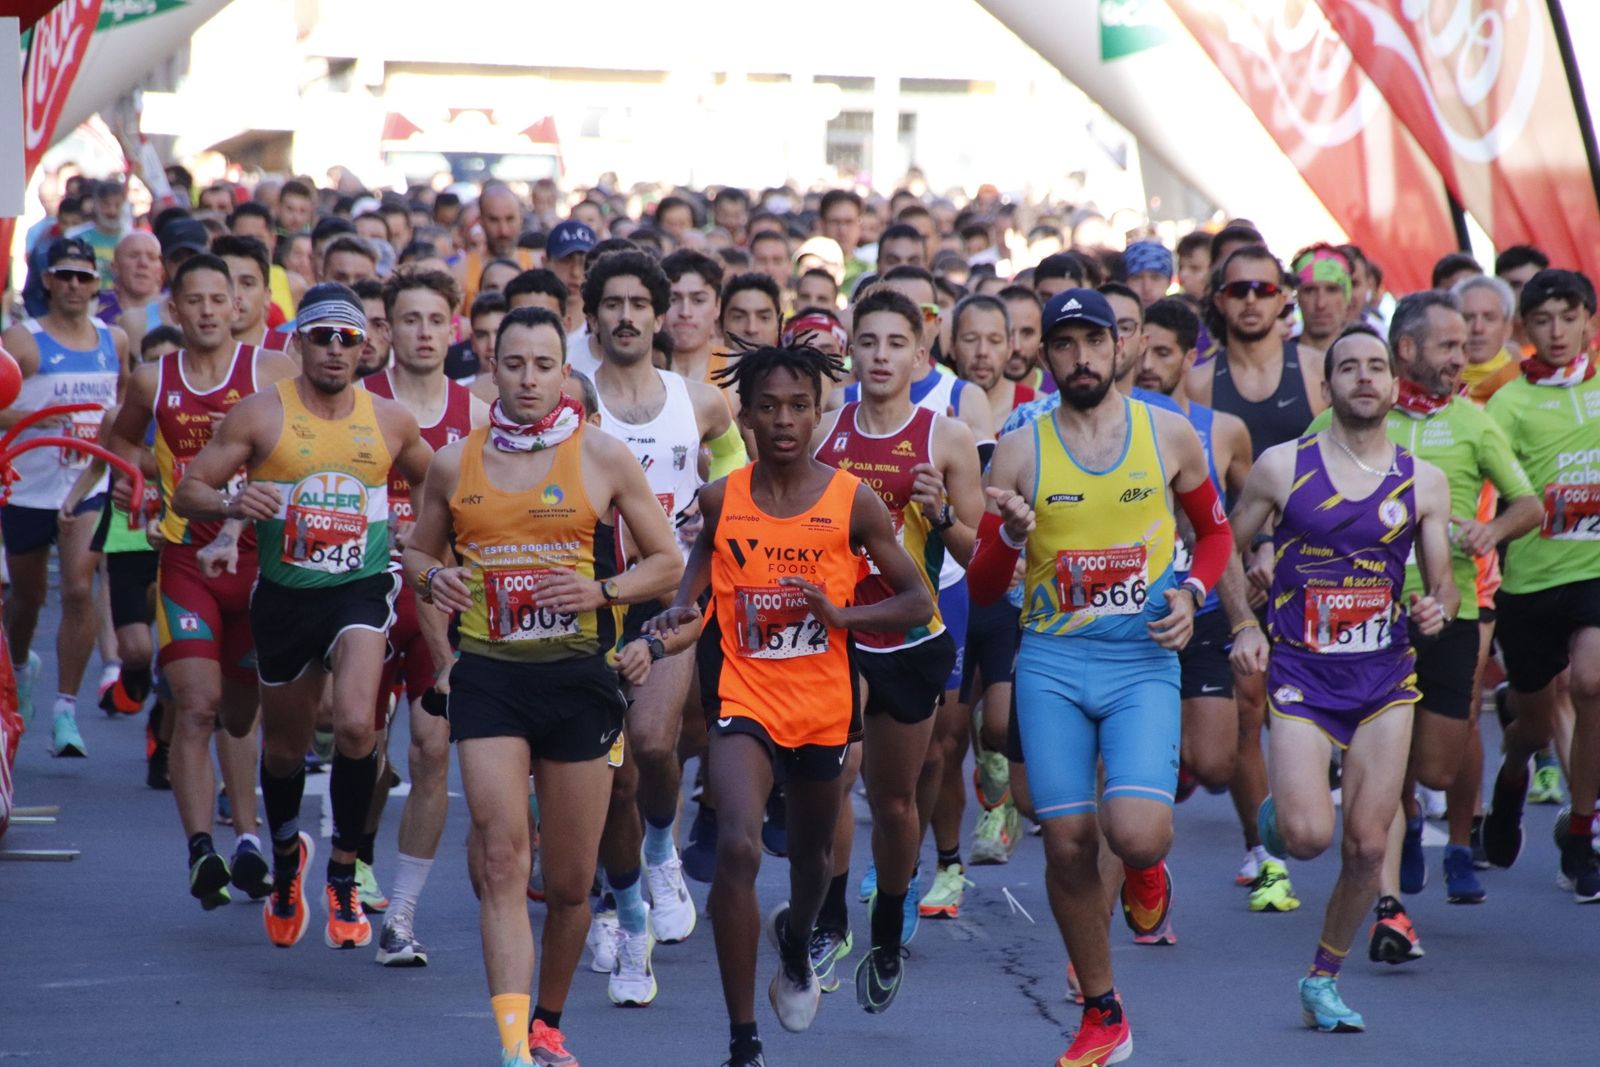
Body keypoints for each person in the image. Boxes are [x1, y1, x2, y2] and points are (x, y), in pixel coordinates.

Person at [403, 306, 682, 1067]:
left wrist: (603, 592)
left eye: (543, 365)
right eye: (514, 364)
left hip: (579, 682)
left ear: (566, 371)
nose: (528, 379)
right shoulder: (451, 461)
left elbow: (669, 562)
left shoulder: (602, 457)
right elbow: (417, 556)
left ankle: (548, 1023)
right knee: (501, 855)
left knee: (566, 884)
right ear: (492, 368)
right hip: (490, 676)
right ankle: (510, 1048)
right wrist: (441, 577)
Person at [971, 288, 1240, 1067]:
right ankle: (1102, 1010)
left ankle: (1149, 867)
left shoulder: (1168, 435)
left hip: (1142, 659)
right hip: (1052, 660)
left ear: (1119, 346)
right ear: (1046, 356)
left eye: (1096, 339)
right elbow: (986, 586)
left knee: (1135, 831)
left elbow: (1214, 534)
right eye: (1065, 344)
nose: (1082, 356)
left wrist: (1192, 593)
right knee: (1065, 843)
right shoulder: (1021, 448)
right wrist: (1009, 536)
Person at [645, 342, 933, 1067]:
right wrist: (674, 620)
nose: (783, 420)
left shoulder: (850, 499)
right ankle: (744, 1043)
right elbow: (694, 591)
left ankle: (799, 940)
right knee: (740, 843)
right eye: (768, 406)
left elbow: (917, 599)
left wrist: (842, 618)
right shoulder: (721, 498)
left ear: (818, 413)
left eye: (798, 406)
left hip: (824, 707)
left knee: (811, 856)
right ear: (744, 416)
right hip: (745, 698)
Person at [171, 282, 431, 952]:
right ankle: (289, 861)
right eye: (323, 336)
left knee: (352, 723)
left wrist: (422, 541)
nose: (336, 350)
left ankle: (343, 871)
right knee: (284, 749)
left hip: (361, 589)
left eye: (349, 338)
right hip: (285, 595)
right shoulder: (260, 415)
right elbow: (189, 488)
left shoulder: (390, 420)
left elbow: (439, 481)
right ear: (299, 343)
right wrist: (233, 505)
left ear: (365, 348)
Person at [1232, 324, 1456, 1032]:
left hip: (1385, 678)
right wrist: (1244, 617)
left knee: (1364, 844)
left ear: (1394, 385)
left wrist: (1435, 605)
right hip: (1300, 673)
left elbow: (1446, 585)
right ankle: (1276, 814)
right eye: (1348, 367)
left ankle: (1322, 976)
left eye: (1377, 367)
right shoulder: (1281, 466)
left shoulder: (1423, 480)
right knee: (1304, 838)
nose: (1364, 377)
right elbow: (1221, 550)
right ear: (1326, 387)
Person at [1307, 293, 1538, 946]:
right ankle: (1388, 905)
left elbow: (1529, 504)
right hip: (1366, 612)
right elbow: (1288, 482)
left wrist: (1489, 529)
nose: (1462, 356)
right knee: (1379, 753)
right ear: (1404, 350)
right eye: (1446, 345)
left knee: (1433, 765)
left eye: (1465, 343)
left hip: (1449, 611)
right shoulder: (1349, 417)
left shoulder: (1474, 420)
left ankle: (1399, 805)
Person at [107, 253, 297, 908]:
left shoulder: (272, 373)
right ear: (176, 309)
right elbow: (124, 441)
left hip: (258, 565)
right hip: (186, 558)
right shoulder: (150, 380)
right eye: (198, 300)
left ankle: (246, 836)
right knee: (197, 703)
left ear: (240, 306)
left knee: (241, 713)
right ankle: (199, 849)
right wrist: (132, 488)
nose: (212, 310)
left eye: (223, 298)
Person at [811, 286, 983, 994]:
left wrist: (941, 514)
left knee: (893, 799)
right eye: (868, 341)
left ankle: (886, 919)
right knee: (831, 778)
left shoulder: (947, 436)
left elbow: (979, 555)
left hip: (911, 638)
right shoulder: (825, 429)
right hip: (834, 635)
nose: (880, 356)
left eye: (895, 344)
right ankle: (829, 916)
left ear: (921, 353)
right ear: (851, 349)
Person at [581, 251, 739, 1003]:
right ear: (593, 318)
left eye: (640, 303)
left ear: (659, 313)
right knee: (610, 779)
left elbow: (738, 484)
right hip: (590, 599)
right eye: (612, 303)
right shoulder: (575, 400)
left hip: (673, 594)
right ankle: (626, 913)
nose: (627, 316)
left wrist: (716, 518)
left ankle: (658, 848)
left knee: (651, 741)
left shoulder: (700, 402)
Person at [1188, 243, 1323, 906]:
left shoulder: (1316, 369)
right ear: (1218, 299)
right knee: (1248, 704)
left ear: (1282, 298)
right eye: (1237, 289)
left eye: (1262, 289)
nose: (1249, 300)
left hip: (1322, 566)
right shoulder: (1197, 384)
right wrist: (1248, 554)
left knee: (1314, 707)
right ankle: (1262, 847)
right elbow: (1208, 496)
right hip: (1238, 565)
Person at [363, 267, 489, 966]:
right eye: (408, 319)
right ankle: (349, 856)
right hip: (357, 588)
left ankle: (401, 915)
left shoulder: (473, 415)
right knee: (355, 738)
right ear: (388, 327)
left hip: (435, 595)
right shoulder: (357, 402)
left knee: (432, 748)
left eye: (435, 320)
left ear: (454, 327)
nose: (422, 332)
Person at [1482, 268, 1600, 903]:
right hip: (1528, 582)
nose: (1557, 332)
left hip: (1594, 572)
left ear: (1589, 321)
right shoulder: (1505, 403)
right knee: (1531, 722)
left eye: (1568, 317)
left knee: (1591, 683)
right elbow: (1487, 494)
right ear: (1525, 330)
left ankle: (1580, 831)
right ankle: (1512, 773)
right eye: (1543, 321)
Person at [1, 237, 129, 757]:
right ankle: (21, 664)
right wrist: (38, 420)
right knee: (28, 597)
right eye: (65, 275)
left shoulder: (113, 339)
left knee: (78, 589)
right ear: (48, 280)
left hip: (87, 485)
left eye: (84, 275)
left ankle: (65, 711)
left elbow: (121, 408)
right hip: (27, 486)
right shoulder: (23, 340)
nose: (75, 285)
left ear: (98, 283)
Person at [1135, 298, 1254, 805]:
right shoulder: (1114, 425)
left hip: (1202, 605)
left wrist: (1262, 556)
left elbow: (1252, 509)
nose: (1147, 365)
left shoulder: (1224, 429)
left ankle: (1180, 760)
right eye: (1142, 351)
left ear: (1190, 358)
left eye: (1163, 353)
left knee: (1213, 765)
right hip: (1133, 611)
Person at [97, 231, 167, 354]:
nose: (143, 264)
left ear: (161, 270)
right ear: (115, 267)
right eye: (134, 256)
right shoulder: (94, 308)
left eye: (151, 258)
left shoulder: (173, 310)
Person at [1289, 245, 1357, 371]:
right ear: (1297, 297)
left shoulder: (1365, 361)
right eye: (1309, 290)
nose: (1321, 303)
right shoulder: (1277, 360)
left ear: (1347, 296)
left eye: (1332, 290)